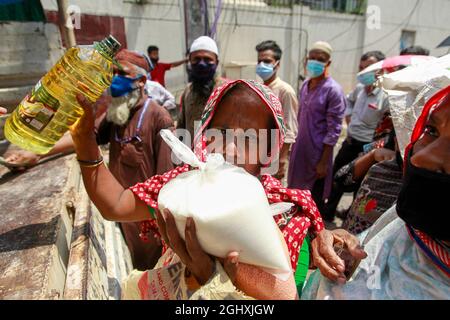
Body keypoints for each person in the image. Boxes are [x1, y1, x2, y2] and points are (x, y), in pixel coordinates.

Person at [69, 79, 325, 300]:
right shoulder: (185, 186)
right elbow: (116, 204)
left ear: (269, 151)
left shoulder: (289, 217)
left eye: (249, 139)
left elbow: (287, 291)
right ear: (205, 133)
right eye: (221, 132)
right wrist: (85, 144)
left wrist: (217, 280)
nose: (229, 149)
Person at [5, 50, 175, 271]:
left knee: (149, 272)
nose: (114, 79)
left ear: (142, 80)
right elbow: (85, 136)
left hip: (146, 224)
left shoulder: (158, 117)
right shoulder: (118, 111)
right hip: (119, 211)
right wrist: (37, 153)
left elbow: (166, 186)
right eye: (112, 72)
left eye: (121, 73)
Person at [303, 86, 450, 299]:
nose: (421, 157)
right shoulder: (404, 220)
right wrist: (342, 242)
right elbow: (342, 180)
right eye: (431, 130)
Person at [288, 41, 346, 216]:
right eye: (311, 58)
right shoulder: (306, 85)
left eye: (320, 59)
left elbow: (334, 129)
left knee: (313, 200)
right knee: (295, 194)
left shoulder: (333, 90)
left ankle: (312, 237)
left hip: (318, 154)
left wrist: (323, 162)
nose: (314, 62)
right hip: (300, 151)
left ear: (328, 63)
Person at [255, 40, 298, 181]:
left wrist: (282, 160)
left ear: (277, 64)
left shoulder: (285, 91)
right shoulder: (258, 89)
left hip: (275, 157)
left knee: (273, 198)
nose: (262, 65)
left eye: (267, 61)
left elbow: (289, 129)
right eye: (259, 61)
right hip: (257, 153)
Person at [177, 36, 227, 146]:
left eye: (207, 59)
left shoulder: (227, 90)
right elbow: (181, 127)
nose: (202, 64)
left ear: (216, 62)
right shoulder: (188, 91)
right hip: (192, 158)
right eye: (197, 59)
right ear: (190, 61)